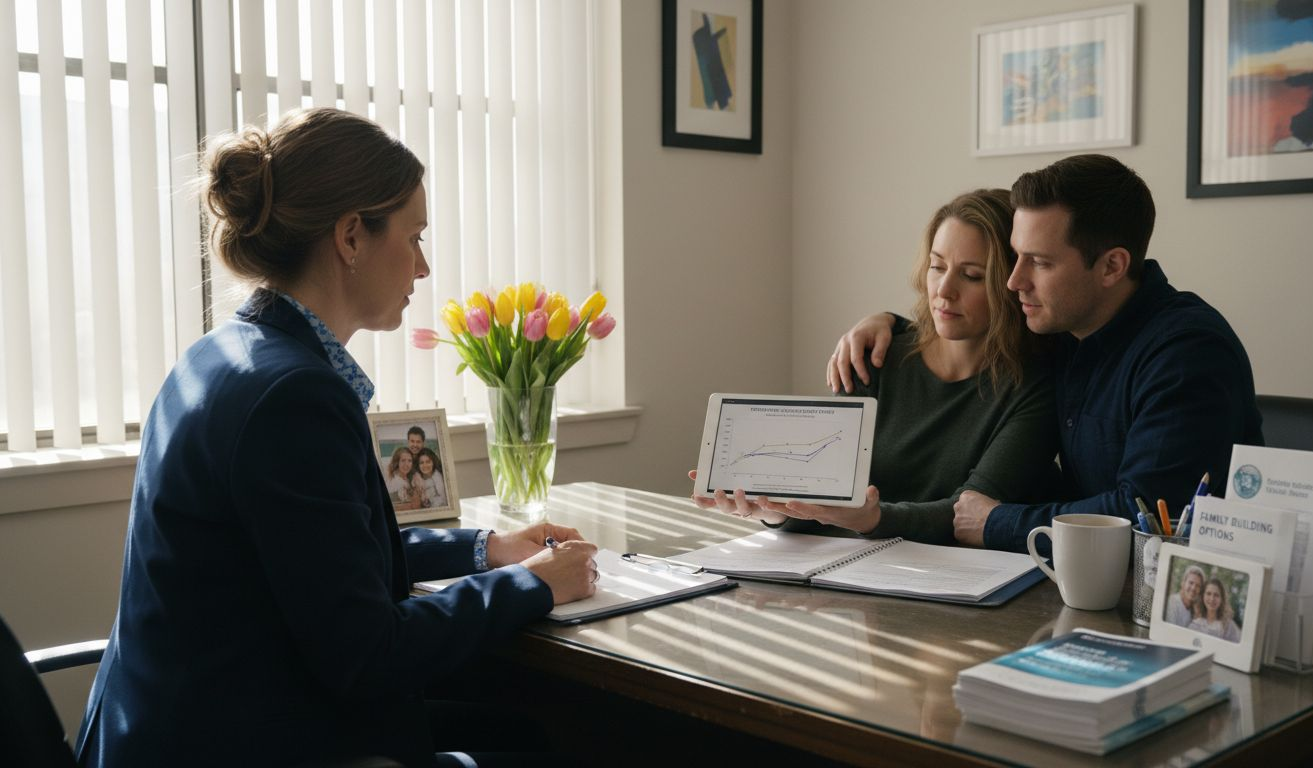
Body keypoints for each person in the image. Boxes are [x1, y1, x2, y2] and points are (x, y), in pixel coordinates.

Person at [76, 108, 599, 768]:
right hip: (241, 743)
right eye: (413, 237)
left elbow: (321, 557)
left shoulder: (222, 354)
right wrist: (533, 584)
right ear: (352, 236)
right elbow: (368, 654)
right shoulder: (292, 396)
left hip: (188, 723)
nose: (423, 267)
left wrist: (485, 549)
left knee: (528, 732)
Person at [827, 155, 1263, 553]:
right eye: (1016, 257)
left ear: (1112, 266)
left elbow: (1148, 512)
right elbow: (967, 328)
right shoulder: (1067, 330)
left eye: (1039, 262)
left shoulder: (1186, 354)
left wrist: (997, 522)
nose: (1013, 281)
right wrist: (887, 323)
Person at [691, 189, 1060, 544]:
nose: (944, 290)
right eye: (937, 266)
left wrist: (872, 519)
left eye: (972, 275)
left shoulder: (1035, 386)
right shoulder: (876, 355)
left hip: (957, 575)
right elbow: (826, 497)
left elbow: (971, 515)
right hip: (847, 568)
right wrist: (774, 511)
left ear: (1013, 283)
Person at [1189, 578, 1242, 642]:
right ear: (1203, 596)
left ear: (1221, 599)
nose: (1212, 599)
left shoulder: (1229, 626)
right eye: (1208, 594)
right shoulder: (1195, 624)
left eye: (1216, 595)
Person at [386, 445, 422, 511]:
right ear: (397, 462)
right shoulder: (394, 482)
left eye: (409, 461)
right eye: (403, 460)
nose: (406, 464)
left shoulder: (410, 477)